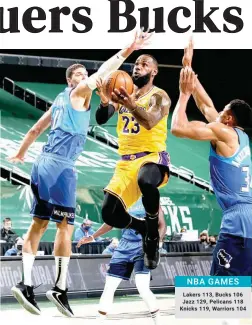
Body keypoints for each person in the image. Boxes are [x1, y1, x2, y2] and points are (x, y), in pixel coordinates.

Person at [7, 30, 152, 317]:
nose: (85, 76)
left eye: (85, 73)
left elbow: (37, 129)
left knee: (40, 224)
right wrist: (129, 49)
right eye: (80, 73)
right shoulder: (78, 91)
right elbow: (104, 70)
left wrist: (22, 153)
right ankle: (58, 288)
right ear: (70, 80)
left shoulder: (60, 101)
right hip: (60, 167)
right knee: (65, 227)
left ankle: (26, 284)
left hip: (44, 163)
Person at [171, 40, 252, 284]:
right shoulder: (239, 136)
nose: (216, 113)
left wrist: (184, 93)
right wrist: (188, 68)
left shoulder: (223, 132)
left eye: (223, 112)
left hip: (237, 220)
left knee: (217, 292)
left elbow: (178, 127)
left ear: (228, 118)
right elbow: (207, 105)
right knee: (241, 290)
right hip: (250, 215)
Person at [95, 54, 171, 270]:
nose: (137, 67)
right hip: (126, 162)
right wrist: (103, 101)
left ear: (154, 71)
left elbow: (149, 122)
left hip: (152, 157)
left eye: (144, 64)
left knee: (146, 180)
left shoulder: (160, 96)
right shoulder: (124, 93)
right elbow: (101, 118)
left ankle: (152, 236)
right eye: (136, 64)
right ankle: (145, 228)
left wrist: (131, 104)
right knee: (109, 214)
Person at [77, 198, 166, 325]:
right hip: (124, 247)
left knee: (142, 287)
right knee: (109, 287)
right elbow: (110, 223)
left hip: (143, 246)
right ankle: (100, 320)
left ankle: (158, 321)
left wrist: (157, 243)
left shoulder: (149, 197)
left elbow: (162, 224)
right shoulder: (122, 199)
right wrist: (92, 237)